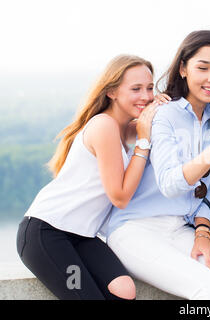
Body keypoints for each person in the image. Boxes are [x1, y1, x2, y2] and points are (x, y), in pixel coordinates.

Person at [106, 30, 210, 300]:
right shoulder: (163, 113)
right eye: (203, 67)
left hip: (179, 228)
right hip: (135, 229)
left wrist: (203, 232)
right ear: (183, 68)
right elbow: (170, 184)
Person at [16, 54, 163, 300]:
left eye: (150, 88)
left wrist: (162, 108)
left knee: (124, 290)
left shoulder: (127, 128)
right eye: (136, 88)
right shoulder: (104, 125)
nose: (146, 96)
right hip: (47, 232)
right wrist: (144, 142)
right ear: (112, 92)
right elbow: (120, 197)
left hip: (82, 235)